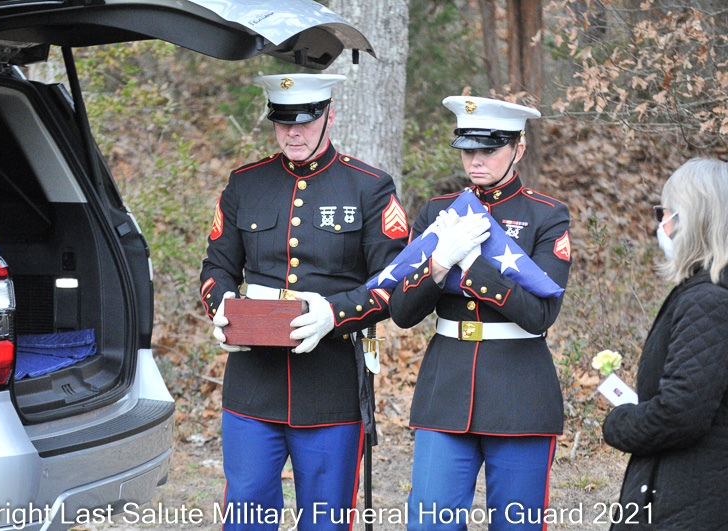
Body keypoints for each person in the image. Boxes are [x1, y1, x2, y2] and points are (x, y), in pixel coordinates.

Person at [199, 73, 409, 530]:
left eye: (305, 121)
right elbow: (216, 266)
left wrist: (334, 314)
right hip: (253, 382)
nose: (293, 133)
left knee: (326, 517)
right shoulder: (246, 183)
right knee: (246, 510)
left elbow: (392, 281)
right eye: (283, 122)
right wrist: (222, 307)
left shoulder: (368, 186)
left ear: (329, 117)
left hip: (331, 385)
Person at [388, 96, 572, 530]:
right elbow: (402, 311)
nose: (476, 160)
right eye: (468, 149)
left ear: (518, 149)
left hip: (520, 391)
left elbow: (541, 315)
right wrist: (438, 264)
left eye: (489, 149)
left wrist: (473, 265)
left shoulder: (546, 216)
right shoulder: (438, 213)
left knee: (517, 523)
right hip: (446, 389)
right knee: (430, 521)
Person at [601, 158, 728, 530]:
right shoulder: (705, 292)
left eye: (665, 213)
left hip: (691, 499)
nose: (661, 225)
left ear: (692, 220)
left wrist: (619, 423)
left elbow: (681, 412)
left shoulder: (708, 302)